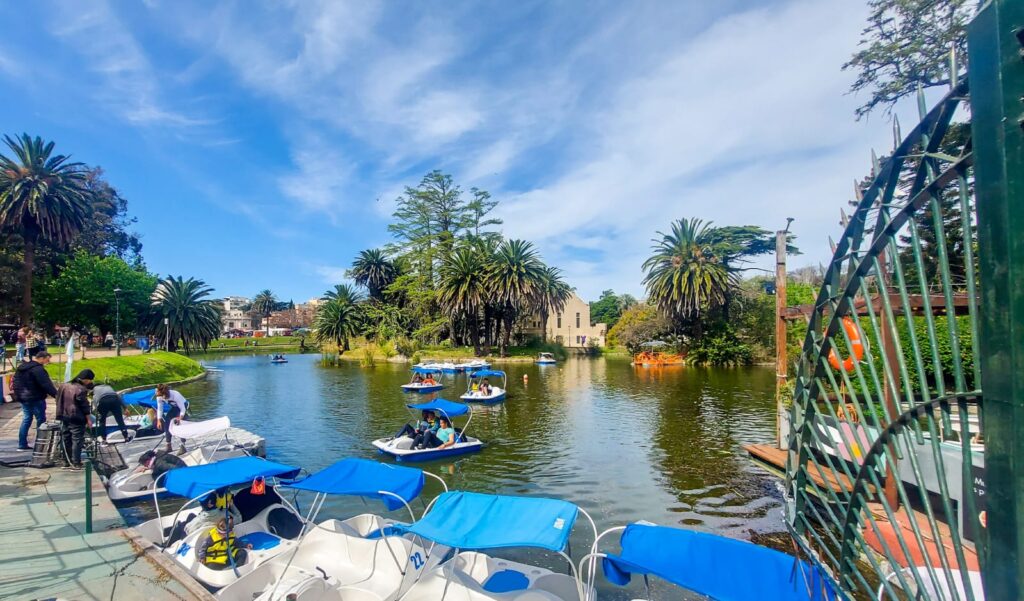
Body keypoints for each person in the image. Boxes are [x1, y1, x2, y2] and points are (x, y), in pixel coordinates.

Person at [12, 350, 58, 451]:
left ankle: (22, 444)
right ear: (41, 358)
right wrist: (57, 396)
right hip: (35, 397)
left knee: (26, 419)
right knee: (41, 420)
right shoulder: (38, 369)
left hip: (23, 397)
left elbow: (15, 382)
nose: (48, 362)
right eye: (47, 359)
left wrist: (18, 395)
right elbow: (46, 384)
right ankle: (40, 443)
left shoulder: (22, 368)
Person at [56, 369, 94, 468]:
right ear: (86, 380)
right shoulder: (81, 389)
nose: (90, 382)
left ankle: (65, 460)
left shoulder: (64, 386)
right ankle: (76, 462)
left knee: (66, 438)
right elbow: (84, 406)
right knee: (77, 439)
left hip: (64, 416)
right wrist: (89, 419)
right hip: (76, 417)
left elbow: (58, 399)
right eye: (90, 380)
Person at [155, 383, 188, 452]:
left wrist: (180, 417)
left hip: (183, 406)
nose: (161, 398)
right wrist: (159, 420)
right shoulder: (159, 395)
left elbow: (182, 409)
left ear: (165, 394)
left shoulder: (175, 395)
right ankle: (168, 445)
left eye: (162, 397)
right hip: (174, 407)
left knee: (180, 424)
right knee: (167, 422)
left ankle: (183, 445)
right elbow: (160, 408)